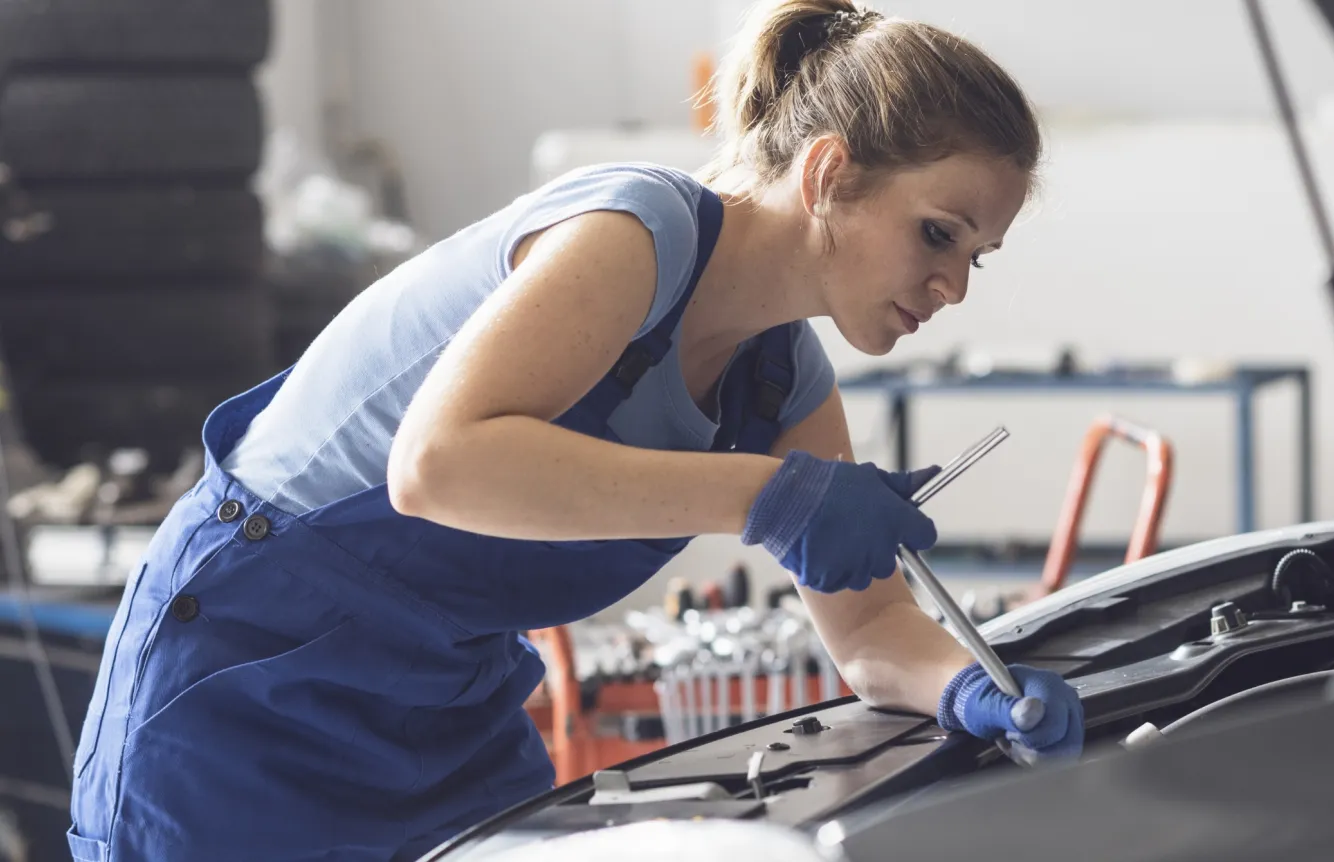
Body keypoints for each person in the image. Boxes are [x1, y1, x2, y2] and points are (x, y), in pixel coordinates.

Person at [66, 2, 1084, 859]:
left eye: (975, 256)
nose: (950, 285)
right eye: (936, 233)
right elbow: (440, 464)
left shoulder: (777, 380)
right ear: (826, 174)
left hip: (444, 716)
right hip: (249, 687)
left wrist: (970, 690)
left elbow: (868, 636)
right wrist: (766, 498)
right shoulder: (635, 232)